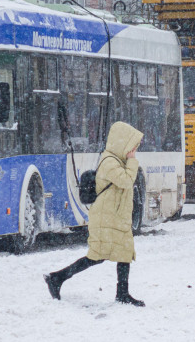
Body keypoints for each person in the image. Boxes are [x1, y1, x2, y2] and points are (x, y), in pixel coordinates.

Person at [45, 121, 146, 307]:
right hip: (105, 218)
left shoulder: (118, 161)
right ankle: (57, 278)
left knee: (124, 253)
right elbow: (125, 181)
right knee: (96, 256)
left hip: (116, 218)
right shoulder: (109, 162)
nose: (134, 150)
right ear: (121, 143)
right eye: (132, 146)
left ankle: (123, 293)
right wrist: (132, 161)